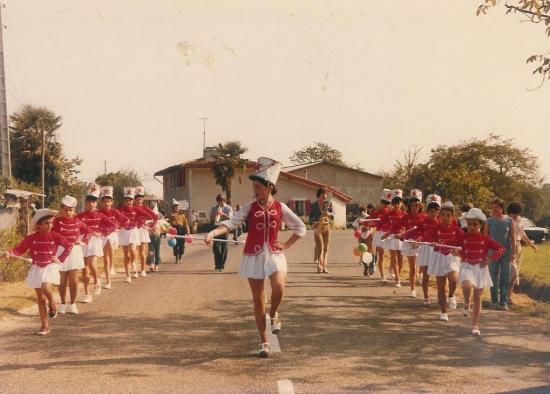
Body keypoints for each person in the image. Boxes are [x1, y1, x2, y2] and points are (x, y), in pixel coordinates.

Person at [205, 157, 306, 358]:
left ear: (269, 187)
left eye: (258, 186)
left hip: (274, 253)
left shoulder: (281, 207)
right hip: (253, 255)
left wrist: (286, 244)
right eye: (254, 186)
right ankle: (264, 341)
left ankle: (274, 314)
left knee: (279, 286)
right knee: (258, 301)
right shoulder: (249, 207)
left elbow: (300, 227)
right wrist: (212, 234)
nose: (255, 190)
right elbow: (231, 223)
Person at [3, 208, 72, 335]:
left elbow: (69, 246)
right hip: (37, 267)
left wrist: (60, 258)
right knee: (40, 299)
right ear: (38, 225)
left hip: (50, 266)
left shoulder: (55, 236)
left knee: (46, 287)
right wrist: (10, 253)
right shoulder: (31, 238)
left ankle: (52, 303)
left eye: (51, 223)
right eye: (46, 223)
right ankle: (45, 326)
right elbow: (19, 249)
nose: (50, 225)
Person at [458, 208, 504, 336]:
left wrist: (489, 259)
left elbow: (501, 249)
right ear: (467, 223)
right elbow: (454, 246)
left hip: (480, 269)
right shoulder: (463, 237)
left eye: (475, 224)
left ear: (480, 224)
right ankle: (466, 301)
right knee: (467, 285)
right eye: (470, 224)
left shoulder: (485, 239)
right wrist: (455, 251)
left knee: (478, 297)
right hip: (467, 266)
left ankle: (475, 325)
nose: (472, 227)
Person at [77, 183, 116, 298]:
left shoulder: (99, 215)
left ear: (96, 203)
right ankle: (87, 293)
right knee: (84, 268)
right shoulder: (80, 216)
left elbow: (113, 225)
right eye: (89, 202)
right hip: (83, 242)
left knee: (92, 263)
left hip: (94, 241)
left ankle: (96, 280)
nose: (91, 204)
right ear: (85, 202)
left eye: (93, 202)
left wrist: (102, 233)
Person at [52, 195, 91, 312]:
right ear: (61, 209)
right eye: (66, 210)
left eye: (71, 210)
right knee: (62, 281)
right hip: (60, 251)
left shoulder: (78, 222)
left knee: (74, 281)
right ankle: (63, 303)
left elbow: (88, 231)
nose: (69, 212)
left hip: (74, 252)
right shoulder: (56, 222)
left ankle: (73, 303)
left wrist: (83, 242)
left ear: (74, 210)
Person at [427, 201, 463, 321]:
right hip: (439, 257)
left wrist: (458, 250)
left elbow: (463, 243)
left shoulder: (456, 230)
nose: (446, 218)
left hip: (452, 257)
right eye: (443, 215)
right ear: (439, 216)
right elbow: (429, 238)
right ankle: (443, 312)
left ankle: (451, 295)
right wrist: (432, 243)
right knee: (441, 286)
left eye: (448, 215)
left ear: (452, 217)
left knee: (453, 280)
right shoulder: (435, 228)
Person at [484, 198, 516, 311]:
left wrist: (514, 252)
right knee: (493, 278)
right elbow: (485, 239)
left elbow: (512, 238)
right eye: (492, 207)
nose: (494, 209)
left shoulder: (509, 221)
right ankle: (494, 301)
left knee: (505, 278)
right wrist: (484, 254)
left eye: (496, 207)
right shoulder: (489, 221)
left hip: (505, 253)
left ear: (501, 208)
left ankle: (504, 302)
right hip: (492, 254)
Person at [395, 189, 426, 298]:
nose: (414, 207)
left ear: (420, 206)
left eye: (416, 205)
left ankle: (421, 274)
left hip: (421, 243)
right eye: (412, 205)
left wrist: (419, 240)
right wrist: (398, 234)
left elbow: (427, 231)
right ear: (409, 206)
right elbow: (397, 227)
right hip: (409, 243)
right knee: (412, 267)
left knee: (422, 265)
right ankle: (412, 289)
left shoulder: (424, 217)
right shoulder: (405, 217)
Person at [506, 202, 537, 304]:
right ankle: (506, 297)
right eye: (513, 213)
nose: (514, 215)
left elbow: (522, 234)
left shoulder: (520, 221)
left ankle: (508, 296)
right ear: (509, 212)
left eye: (516, 213)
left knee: (516, 271)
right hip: (509, 247)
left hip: (518, 247)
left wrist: (531, 245)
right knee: (511, 272)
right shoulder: (506, 220)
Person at [416, 194, 441, 305]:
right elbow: (419, 234)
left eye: (436, 211)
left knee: (438, 276)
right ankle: (426, 297)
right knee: (425, 275)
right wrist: (417, 240)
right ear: (427, 212)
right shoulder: (423, 222)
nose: (433, 214)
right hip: (426, 249)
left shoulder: (441, 223)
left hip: (436, 251)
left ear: (438, 212)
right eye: (431, 211)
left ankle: (440, 296)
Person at [99, 186, 126, 283]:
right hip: (102, 235)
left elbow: (125, 219)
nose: (107, 203)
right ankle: (108, 280)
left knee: (109, 242)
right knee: (105, 258)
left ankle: (112, 266)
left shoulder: (115, 212)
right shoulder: (99, 212)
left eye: (108, 201)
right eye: (105, 201)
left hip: (112, 235)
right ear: (102, 202)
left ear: (112, 202)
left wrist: (119, 227)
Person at [381, 189, 405, 287]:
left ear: (401, 203)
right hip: (392, 237)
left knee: (401, 259)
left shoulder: (404, 214)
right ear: (392, 203)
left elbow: (408, 225)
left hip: (401, 238)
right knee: (394, 259)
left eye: (398, 203)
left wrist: (403, 232)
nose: (396, 205)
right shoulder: (388, 214)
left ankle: (397, 273)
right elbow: (381, 222)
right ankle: (397, 279)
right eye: (394, 203)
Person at [117, 187, 142, 282]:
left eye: (130, 200)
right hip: (124, 231)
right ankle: (128, 275)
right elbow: (117, 220)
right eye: (127, 200)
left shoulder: (136, 209)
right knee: (126, 255)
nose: (129, 202)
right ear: (124, 201)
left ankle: (134, 262)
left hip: (133, 230)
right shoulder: (120, 210)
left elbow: (142, 217)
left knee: (132, 249)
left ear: (133, 201)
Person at [134, 186, 158, 277]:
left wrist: (152, 226)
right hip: (134, 230)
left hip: (143, 230)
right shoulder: (132, 208)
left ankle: (143, 270)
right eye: (137, 199)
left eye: (140, 199)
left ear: (142, 200)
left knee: (142, 251)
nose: (139, 201)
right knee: (134, 251)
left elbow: (155, 217)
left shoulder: (145, 208)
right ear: (134, 200)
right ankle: (135, 271)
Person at [309, 187, 334, 273]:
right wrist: (313, 222)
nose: (325, 196)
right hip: (317, 228)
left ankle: (324, 267)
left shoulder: (329, 204)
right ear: (319, 195)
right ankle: (319, 266)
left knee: (326, 249)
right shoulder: (313, 205)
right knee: (320, 247)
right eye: (323, 194)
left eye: (326, 195)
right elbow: (310, 217)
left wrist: (329, 214)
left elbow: (333, 216)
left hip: (326, 227)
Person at [371, 189, 393, 282]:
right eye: (384, 202)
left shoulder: (392, 212)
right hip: (380, 234)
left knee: (393, 254)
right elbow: (369, 220)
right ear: (381, 202)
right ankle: (382, 275)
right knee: (381, 255)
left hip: (389, 234)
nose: (385, 205)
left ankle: (391, 269)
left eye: (387, 203)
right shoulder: (377, 212)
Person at [208, 194, 233, 272]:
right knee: (216, 247)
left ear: (224, 201)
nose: (220, 203)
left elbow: (231, 218)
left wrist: (223, 214)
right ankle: (217, 264)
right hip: (216, 227)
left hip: (225, 228)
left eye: (221, 201)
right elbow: (210, 218)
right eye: (218, 201)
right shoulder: (213, 208)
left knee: (224, 247)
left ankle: (221, 266)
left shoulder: (228, 208)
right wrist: (215, 214)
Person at [168, 199, 190, 264]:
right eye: (176, 207)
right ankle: (177, 258)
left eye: (178, 206)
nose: (177, 208)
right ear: (173, 208)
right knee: (175, 245)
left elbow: (185, 223)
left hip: (182, 231)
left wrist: (188, 230)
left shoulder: (182, 215)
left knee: (182, 246)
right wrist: (173, 221)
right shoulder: (171, 215)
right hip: (174, 232)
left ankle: (180, 256)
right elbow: (171, 223)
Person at [148, 204, 163, 271]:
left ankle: (156, 264)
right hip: (150, 238)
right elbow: (145, 228)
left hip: (157, 238)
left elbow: (164, 230)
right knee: (151, 251)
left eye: (156, 216)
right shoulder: (149, 223)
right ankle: (151, 264)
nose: (155, 217)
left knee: (157, 252)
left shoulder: (160, 223)